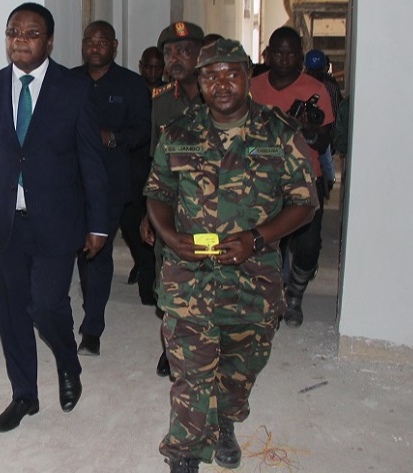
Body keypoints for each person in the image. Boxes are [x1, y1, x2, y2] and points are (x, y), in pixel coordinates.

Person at [145, 39, 318, 473]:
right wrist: (170, 236)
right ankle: (185, 451)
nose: (221, 84)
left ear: (248, 77)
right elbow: (159, 192)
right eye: (210, 76)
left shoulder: (279, 132)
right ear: (200, 81)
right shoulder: (179, 131)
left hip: (253, 277)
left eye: (231, 74)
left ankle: (225, 420)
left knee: (241, 369)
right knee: (191, 373)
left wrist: (257, 239)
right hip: (189, 276)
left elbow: (305, 202)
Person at [0, 2, 109, 433]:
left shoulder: (74, 90)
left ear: (49, 42)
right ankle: (24, 395)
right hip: (5, 224)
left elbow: (92, 163)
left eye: (32, 33)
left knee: (45, 304)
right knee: (12, 313)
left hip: (57, 221)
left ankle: (68, 360)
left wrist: (98, 223)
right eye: (13, 32)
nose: (20, 39)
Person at [71, 21, 151, 356]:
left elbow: (144, 131)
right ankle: (90, 307)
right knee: (81, 250)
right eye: (89, 41)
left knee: (99, 251)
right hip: (72, 182)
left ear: (114, 46)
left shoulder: (132, 85)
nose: (94, 47)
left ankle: (92, 329)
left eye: (101, 41)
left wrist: (113, 137)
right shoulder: (68, 81)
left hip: (112, 181)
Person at [249, 26, 334, 327]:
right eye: (278, 52)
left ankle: (295, 293)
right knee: (266, 243)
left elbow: (323, 142)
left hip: (304, 178)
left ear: (300, 56)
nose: (284, 58)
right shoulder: (252, 87)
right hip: (261, 178)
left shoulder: (315, 89)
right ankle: (272, 301)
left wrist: (304, 129)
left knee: (308, 246)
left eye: (290, 53)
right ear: (268, 54)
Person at [142, 21, 206, 378]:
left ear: (202, 55)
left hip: (216, 210)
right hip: (173, 209)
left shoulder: (222, 97)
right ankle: (172, 346)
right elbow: (156, 163)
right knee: (167, 278)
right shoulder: (162, 102)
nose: (174, 58)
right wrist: (148, 213)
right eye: (168, 52)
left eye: (184, 51)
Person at [120, 46, 162, 305]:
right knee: (130, 223)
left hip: (160, 164)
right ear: (140, 65)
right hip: (134, 164)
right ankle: (141, 262)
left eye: (158, 67)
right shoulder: (132, 89)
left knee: (154, 222)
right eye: (148, 66)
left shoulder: (170, 93)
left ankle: (149, 279)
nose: (153, 72)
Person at [304, 49, 343, 197]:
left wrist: (331, 136)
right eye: (311, 71)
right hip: (304, 134)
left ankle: (326, 184)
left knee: (326, 162)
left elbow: (335, 111)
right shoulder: (299, 85)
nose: (314, 74)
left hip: (323, 133)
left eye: (317, 71)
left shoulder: (330, 87)